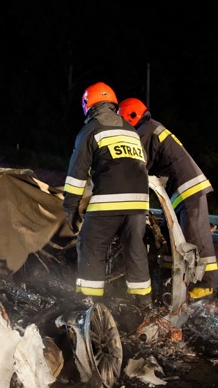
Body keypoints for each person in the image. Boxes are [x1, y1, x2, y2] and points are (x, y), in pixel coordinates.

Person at [118, 97, 218, 300]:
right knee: (171, 241)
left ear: (130, 116)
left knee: (196, 236)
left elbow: (139, 164)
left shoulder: (145, 131)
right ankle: (169, 282)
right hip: (180, 191)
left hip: (188, 188)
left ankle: (207, 284)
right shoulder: (152, 128)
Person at [63, 82, 152, 306]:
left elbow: (77, 174)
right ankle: (143, 302)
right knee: (135, 247)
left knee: (91, 243)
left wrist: (71, 208)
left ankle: (89, 302)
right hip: (140, 203)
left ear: (87, 105)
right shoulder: (130, 129)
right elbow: (142, 164)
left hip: (109, 201)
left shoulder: (91, 130)